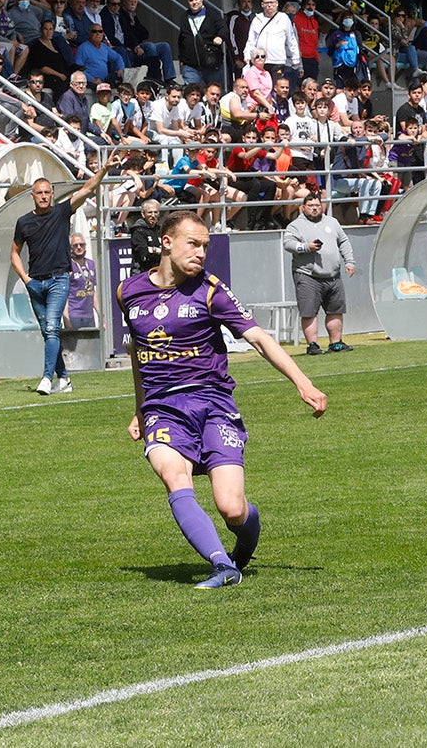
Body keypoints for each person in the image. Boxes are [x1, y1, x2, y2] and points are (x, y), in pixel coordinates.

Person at [122, 210, 328, 589]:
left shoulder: (211, 290)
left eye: (205, 246)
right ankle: (222, 566)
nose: (201, 253)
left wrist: (303, 382)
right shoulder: (129, 292)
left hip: (213, 404)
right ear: (166, 243)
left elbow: (260, 339)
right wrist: (139, 408)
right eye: (193, 244)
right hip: (163, 408)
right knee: (174, 476)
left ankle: (245, 538)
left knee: (232, 508)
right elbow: (138, 353)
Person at [11, 155, 119, 395]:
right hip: (35, 283)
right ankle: (65, 378)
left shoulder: (61, 212)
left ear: (52, 194)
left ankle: (47, 379)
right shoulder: (24, 222)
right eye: (39, 193)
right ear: (33, 195)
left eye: (47, 192)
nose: (43, 196)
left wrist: (104, 169)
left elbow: (87, 189)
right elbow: (14, 254)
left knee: (51, 327)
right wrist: (26, 280)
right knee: (48, 332)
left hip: (59, 280)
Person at [284, 194, 356, 354]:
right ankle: (313, 345)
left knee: (335, 310)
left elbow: (343, 241)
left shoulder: (332, 222)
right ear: (303, 208)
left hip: (333, 276)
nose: (315, 208)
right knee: (309, 312)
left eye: (317, 205)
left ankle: (336, 343)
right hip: (308, 275)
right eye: (310, 205)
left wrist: (349, 262)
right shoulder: (295, 225)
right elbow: (288, 244)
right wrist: (306, 247)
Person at [64, 232, 98, 329]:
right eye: (75, 245)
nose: (79, 247)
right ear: (71, 248)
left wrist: (101, 315)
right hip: (74, 315)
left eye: (81, 245)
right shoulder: (68, 266)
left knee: (92, 344)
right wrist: (66, 319)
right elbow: (64, 295)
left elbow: (93, 292)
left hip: (89, 315)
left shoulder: (91, 264)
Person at [128, 198, 163, 273]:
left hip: (159, 272)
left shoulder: (160, 229)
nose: (153, 215)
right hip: (141, 272)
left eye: (155, 212)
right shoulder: (138, 230)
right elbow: (143, 254)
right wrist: (158, 250)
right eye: (150, 212)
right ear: (143, 214)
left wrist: (152, 250)